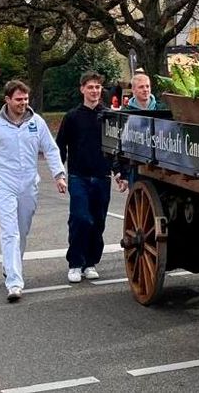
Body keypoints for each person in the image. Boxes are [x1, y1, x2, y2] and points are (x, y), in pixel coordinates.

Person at [0, 80, 67, 302]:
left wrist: (59, 175)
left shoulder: (37, 122)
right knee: (10, 231)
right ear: (7, 100)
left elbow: (51, 150)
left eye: (25, 99)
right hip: (3, 183)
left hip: (28, 184)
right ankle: (14, 282)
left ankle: (10, 265)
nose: (23, 103)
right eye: (18, 99)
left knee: (22, 230)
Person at [56, 71, 129, 283]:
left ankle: (91, 262)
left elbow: (116, 148)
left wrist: (119, 172)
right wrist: (59, 173)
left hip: (101, 176)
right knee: (80, 218)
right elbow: (60, 147)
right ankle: (75, 263)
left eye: (98, 87)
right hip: (79, 176)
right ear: (82, 89)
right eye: (90, 87)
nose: (95, 91)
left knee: (97, 221)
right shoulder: (72, 117)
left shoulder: (107, 116)